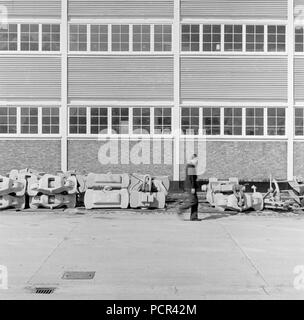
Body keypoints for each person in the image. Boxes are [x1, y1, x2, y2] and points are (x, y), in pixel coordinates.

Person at [178, 154, 200, 221]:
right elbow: (191, 178)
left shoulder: (191, 166)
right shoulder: (190, 166)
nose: (197, 161)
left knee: (195, 202)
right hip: (190, 187)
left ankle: (194, 217)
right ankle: (181, 209)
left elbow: (193, 177)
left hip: (190, 186)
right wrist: (193, 187)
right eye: (196, 160)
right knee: (193, 201)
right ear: (192, 159)